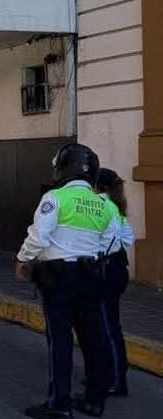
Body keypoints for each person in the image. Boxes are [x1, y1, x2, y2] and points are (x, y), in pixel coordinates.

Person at [14, 143, 119, 418]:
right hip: (92, 276)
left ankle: (59, 403)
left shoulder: (56, 198)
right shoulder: (103, 204)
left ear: (63, 168)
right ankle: (94, 400)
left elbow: (39, 235)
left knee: (60, 340)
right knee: (93, 339)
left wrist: (23, 258)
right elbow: (111, 241)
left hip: (60, 278)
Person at [91, 168, 134, 397]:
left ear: (96, 185)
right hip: (117, 269)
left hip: (104, 271)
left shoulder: (98, 205)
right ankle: (109, 375)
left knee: (107, 326)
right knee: (108, 324)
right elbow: (128, 238)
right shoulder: (116, 207)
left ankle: (116, 380)